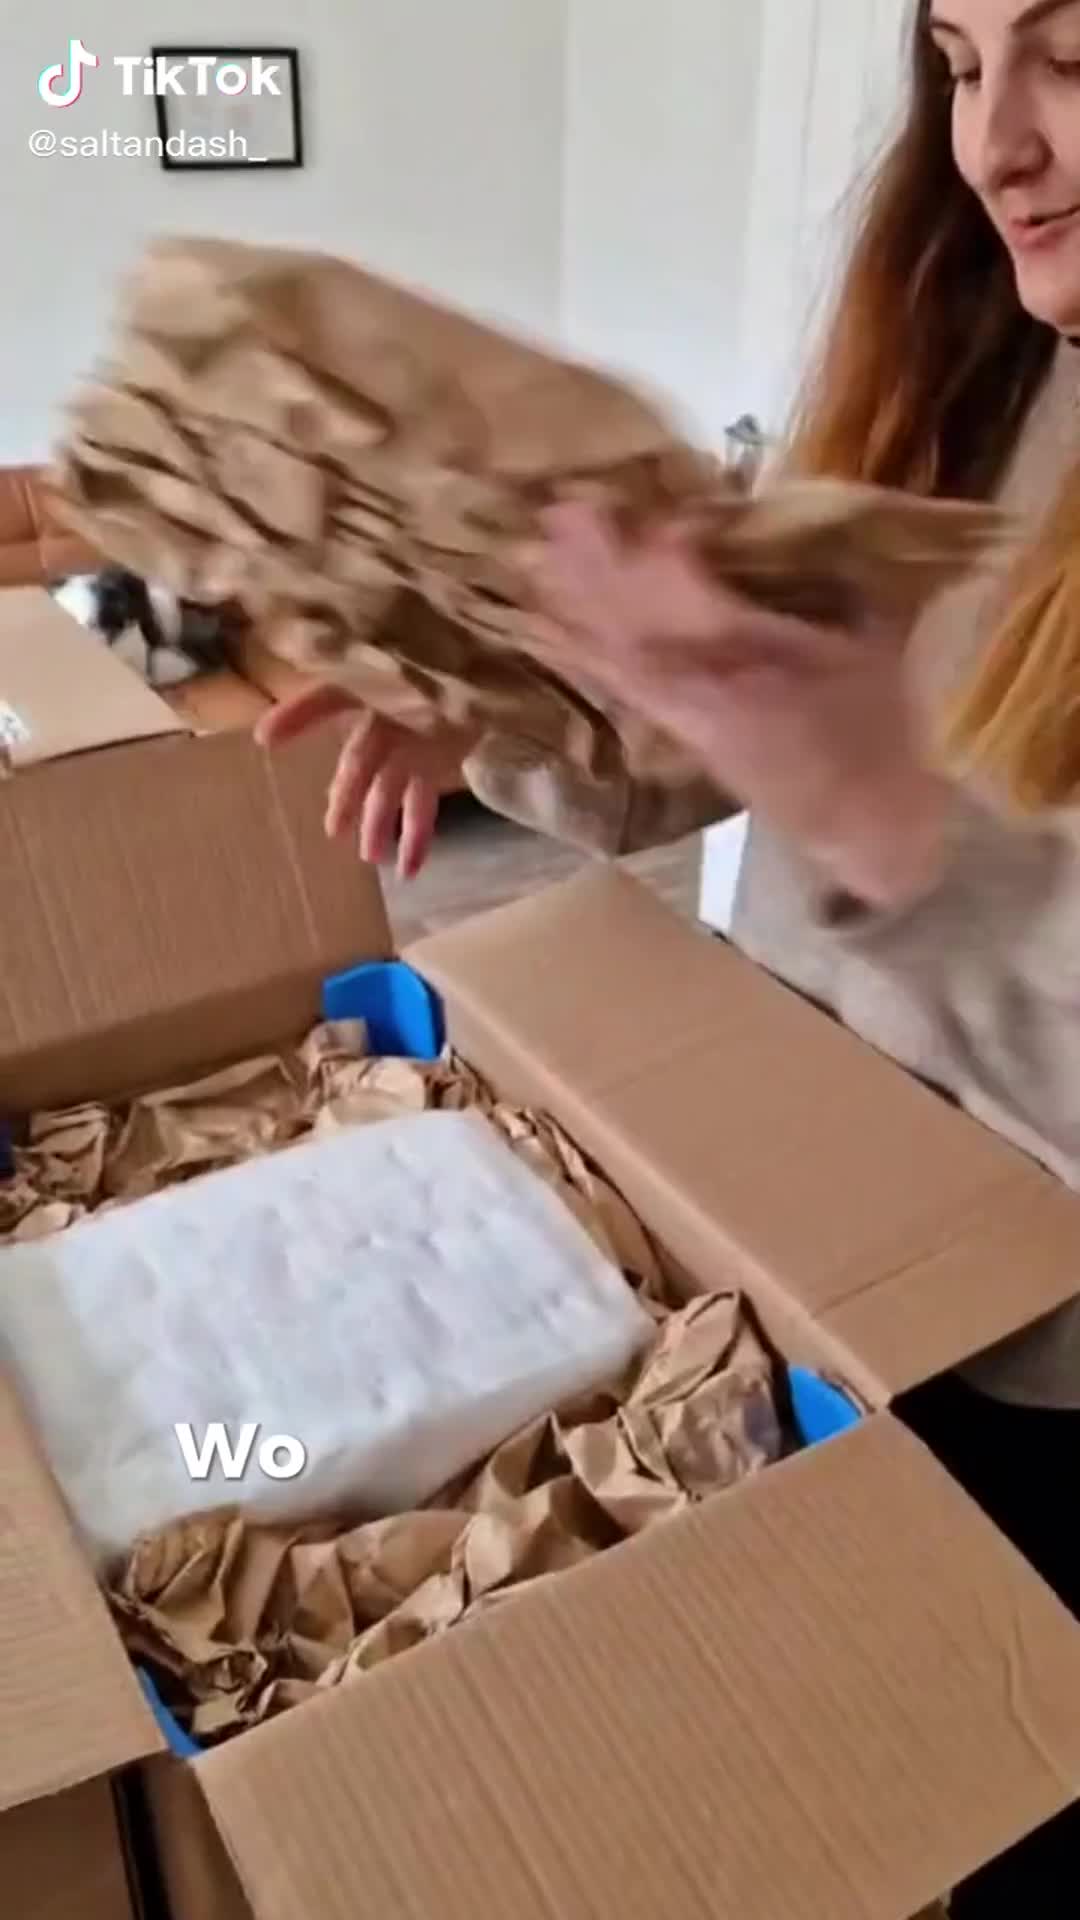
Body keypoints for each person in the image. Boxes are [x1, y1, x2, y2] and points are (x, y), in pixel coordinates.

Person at [258, 1, 1080, 1904]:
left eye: (1069, 58)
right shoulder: (960, 358)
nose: (995, 145)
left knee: (995, 1777)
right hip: (782, 1230)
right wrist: (498, 702)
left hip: (1025, 1334)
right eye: (960, 64)